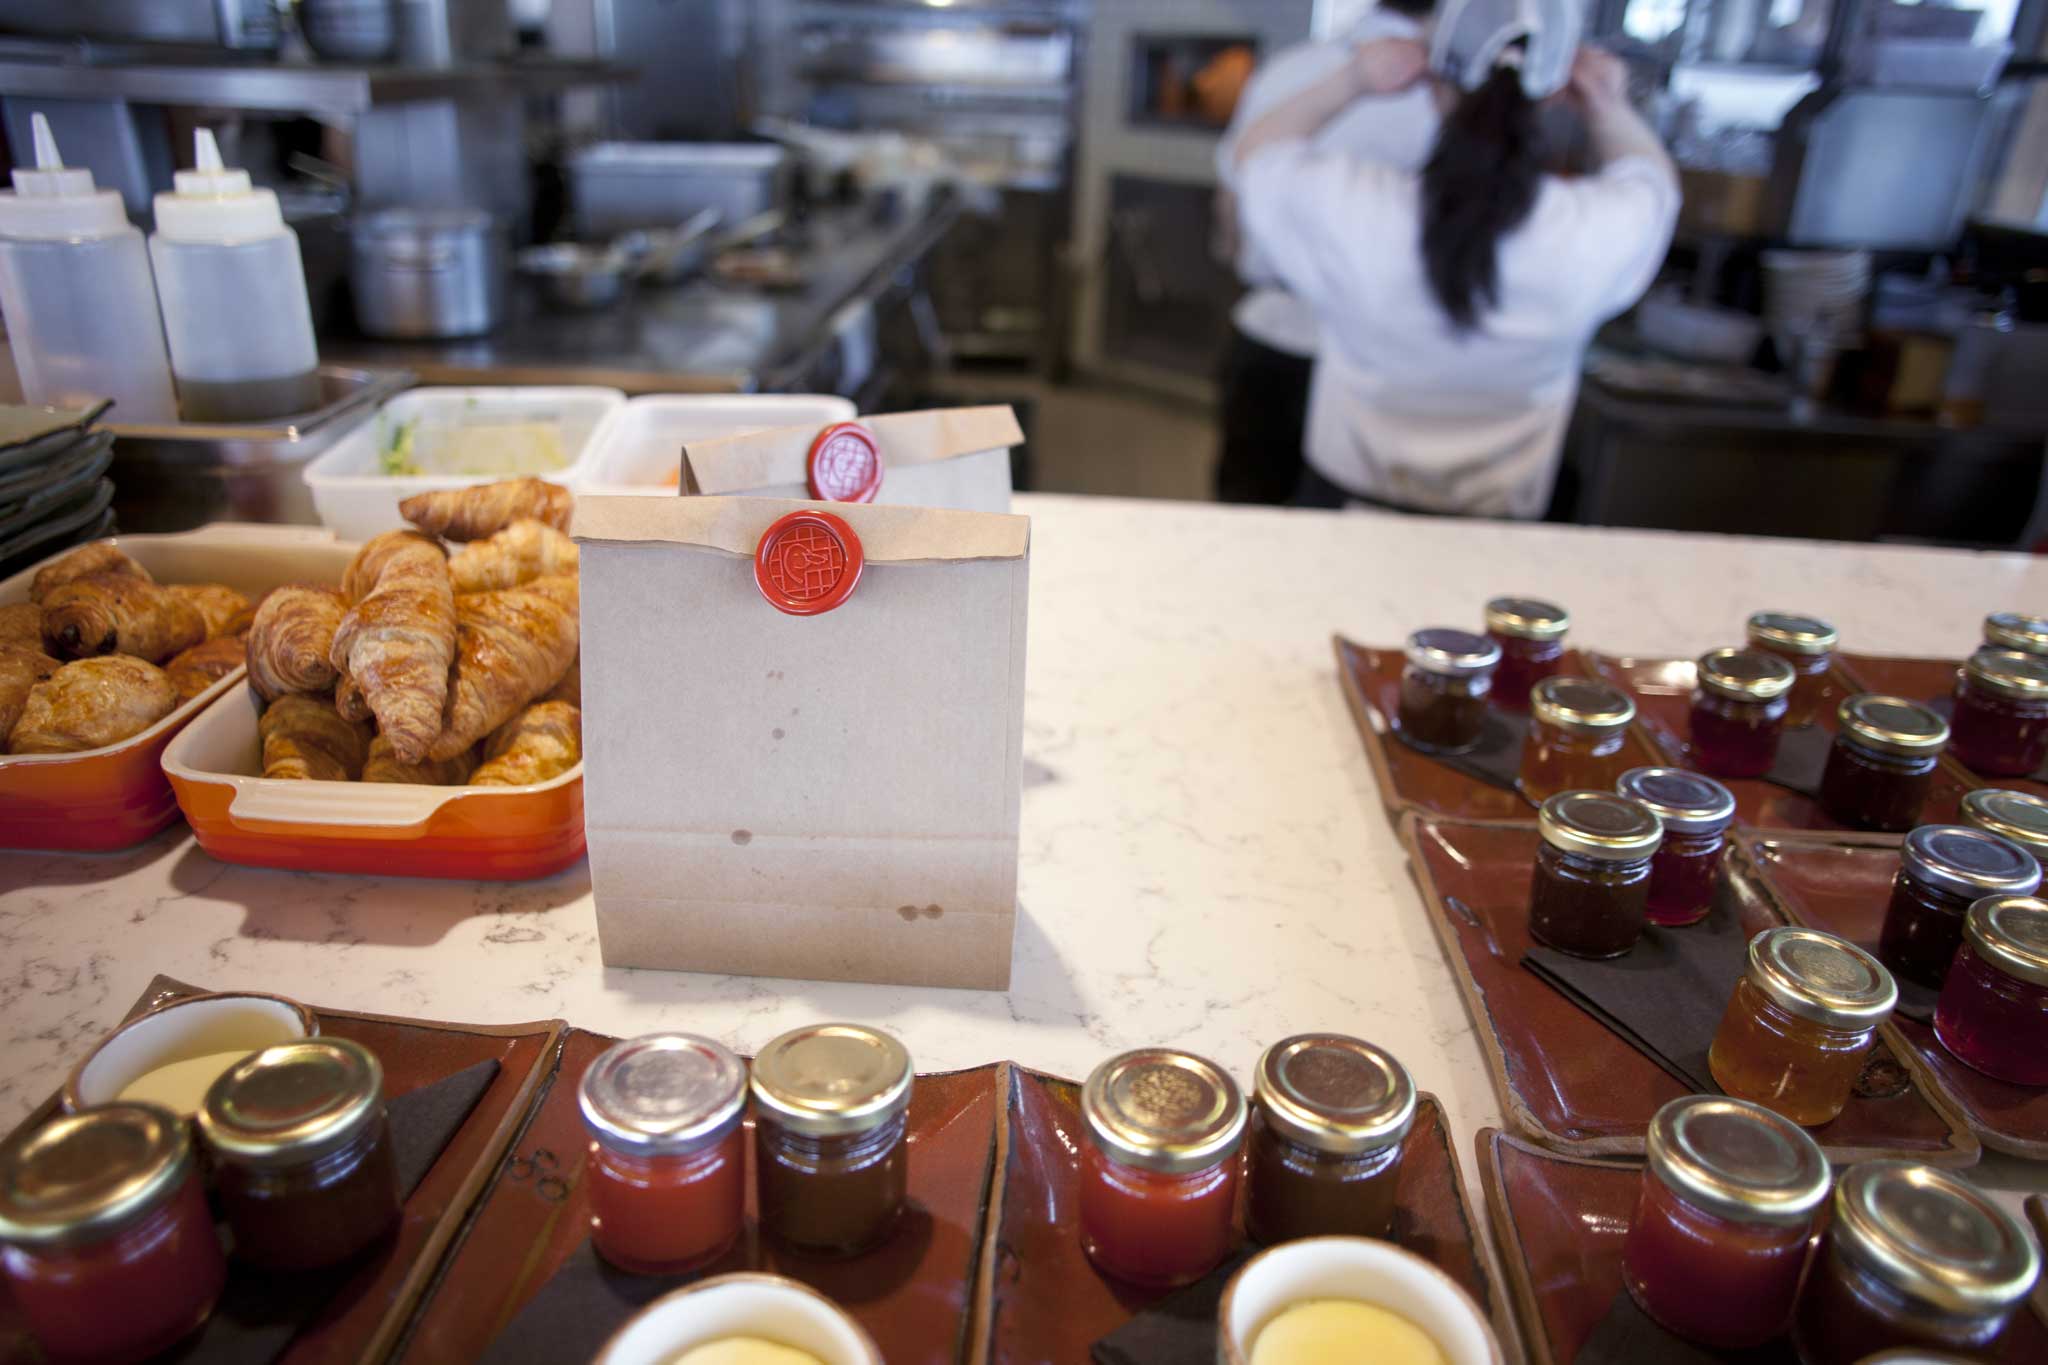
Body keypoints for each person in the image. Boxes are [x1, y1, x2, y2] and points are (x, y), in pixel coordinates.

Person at [1232, 21, 1679, 518]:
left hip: (1345, 515)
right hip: (1501, 531)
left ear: (1434, 82)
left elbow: (1257, 154)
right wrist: (1607, 107)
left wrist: (1355, 79)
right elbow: (1653, 184)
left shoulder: (1363, 207)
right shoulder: (1586, 230)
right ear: (1553, 93)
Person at [1212, 0, 1441, 505]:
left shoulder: (1294, 69)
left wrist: (1239, 262)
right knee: (1343, 517)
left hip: (1270, 325)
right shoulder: (1446, 97)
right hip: (1380, 355)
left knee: (1246, 508)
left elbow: (1233, 191)